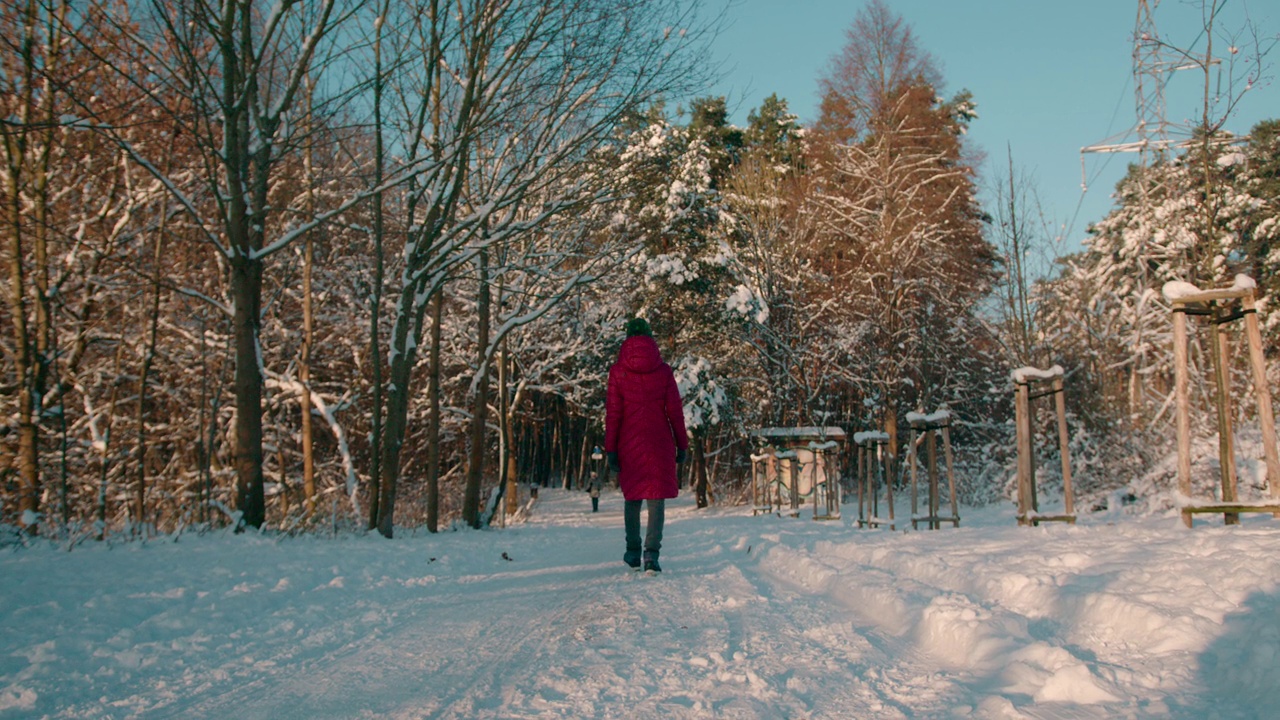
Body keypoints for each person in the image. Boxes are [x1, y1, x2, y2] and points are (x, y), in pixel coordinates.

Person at [604, 318, 689, 573]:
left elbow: (613, 414)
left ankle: (632, 553)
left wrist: (611, 449)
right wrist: (682, 444)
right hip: (659, 441)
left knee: (632, 498)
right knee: (656, 499)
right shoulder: (663, 371)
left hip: (628, 442)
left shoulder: (618, 372)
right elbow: (675, 412)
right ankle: (651, 555)